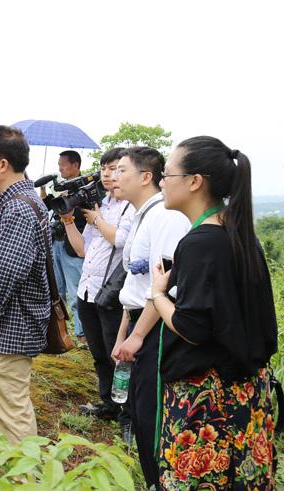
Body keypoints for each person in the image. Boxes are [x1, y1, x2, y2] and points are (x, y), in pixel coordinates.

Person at [150, 137, 278, 489]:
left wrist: (159, 295)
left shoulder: (200, 242)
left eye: (168, 173)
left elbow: (193, 328)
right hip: (247, 391)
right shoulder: (237, 233)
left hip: (208, 402)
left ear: (195, 181)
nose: (162, 181)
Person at [111, 147, 190, 489]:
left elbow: (163, 287)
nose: (113, 176)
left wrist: (139, 335)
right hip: (137, 322)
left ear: (146, 177)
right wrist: (124, 333)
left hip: (156, 331)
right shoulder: (142, 214)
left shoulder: (167, 216)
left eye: (121, 170)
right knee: (141, 417)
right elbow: (137, 284)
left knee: (151, 417)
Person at [0, 125, 50, 444]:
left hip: (10, 326)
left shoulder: (17, 207)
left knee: (12, 412)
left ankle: (25, 477)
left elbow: (8, 267)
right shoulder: (11, 201)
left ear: (3, 164)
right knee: (5, 407)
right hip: (10, 325)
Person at [61, 148, 135, 440]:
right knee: (99, 354)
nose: (108, 174)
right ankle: (108, 402)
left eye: (115, 168)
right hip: (88, 290)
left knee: (119, 356)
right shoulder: (101, 206)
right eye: (104, 168)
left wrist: (95, 220)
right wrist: (68, 220)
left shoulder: (131, 208)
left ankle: (128, 414)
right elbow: (82, 250)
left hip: (113, 296)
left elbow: (120, 239)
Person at [41, 151, 87, 344]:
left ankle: (82, 334)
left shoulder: (85, 188)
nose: (60, 168)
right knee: (56, 290)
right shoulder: (61, 187)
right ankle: (59, 333)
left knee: (76, 291)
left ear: (76, 165)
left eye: (64, 165)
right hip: (56, 241)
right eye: (59, 164)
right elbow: (47, 208)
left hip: (73, 245)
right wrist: (44, 191)